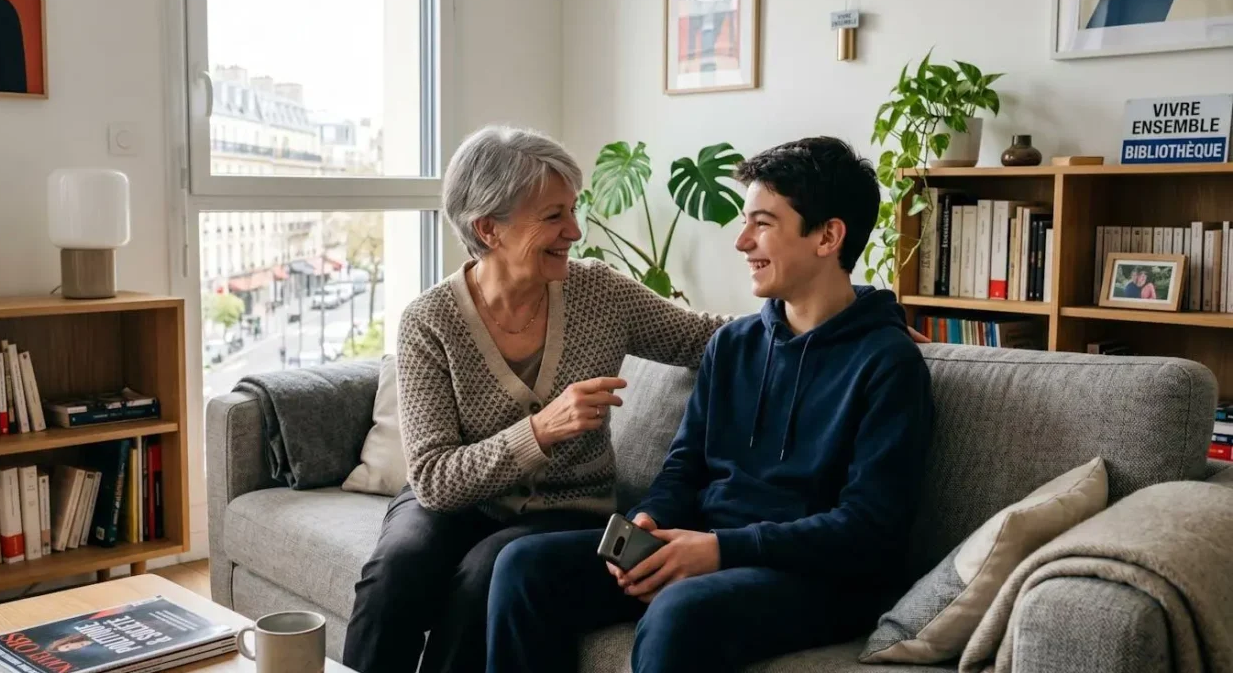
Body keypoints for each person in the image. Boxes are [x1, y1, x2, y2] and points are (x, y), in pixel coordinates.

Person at [486, 137, 937, 673]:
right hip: (708, 549)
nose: (742, 241)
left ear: (828, 236)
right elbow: (685, 467)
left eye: (763, 223)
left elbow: (869, 530)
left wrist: (720, 550)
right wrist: (651, 522)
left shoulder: (887, 363)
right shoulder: (733, 344)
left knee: (681, 612)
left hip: (822, 578)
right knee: (522, 566)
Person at [339, 125, 732, 673]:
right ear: (487, 228)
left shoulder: (602, 292)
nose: (574, 230)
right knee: (395, 572)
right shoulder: (429, 322)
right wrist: (541, 430)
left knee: (485, 574)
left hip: (566, 509)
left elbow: (710, 336)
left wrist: (852, 313)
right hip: (457, 501)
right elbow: (432, 478)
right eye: (553, 216)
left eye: (573, 210)